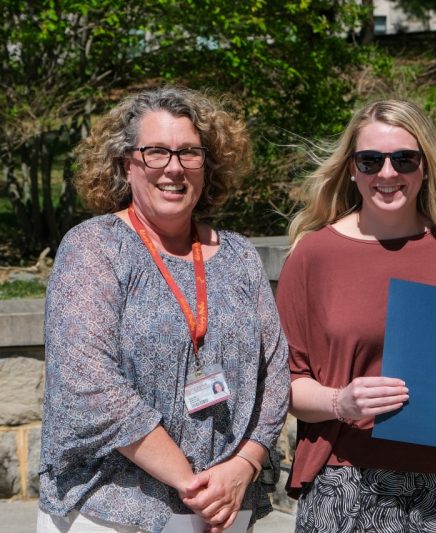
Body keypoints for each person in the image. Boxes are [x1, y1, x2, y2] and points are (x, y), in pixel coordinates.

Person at [38, 86, 290, 533]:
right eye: (156, 152)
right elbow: (88, 385)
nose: (173, 168)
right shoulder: (94, 248)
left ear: (207, 166)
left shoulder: (240, 256)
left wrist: (245, 465)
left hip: (225, 506)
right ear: (125, 164)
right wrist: (193, 484)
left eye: (189, 153)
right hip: (111, 509)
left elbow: (274, 373)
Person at [276, 99, 436, 532]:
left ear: (425, 165)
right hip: (345, 482)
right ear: (351, 169)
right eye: (370, 160)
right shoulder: (314, 256)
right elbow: (281, 384)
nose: (387, 173)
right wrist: (340, 402)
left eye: (404, 159)